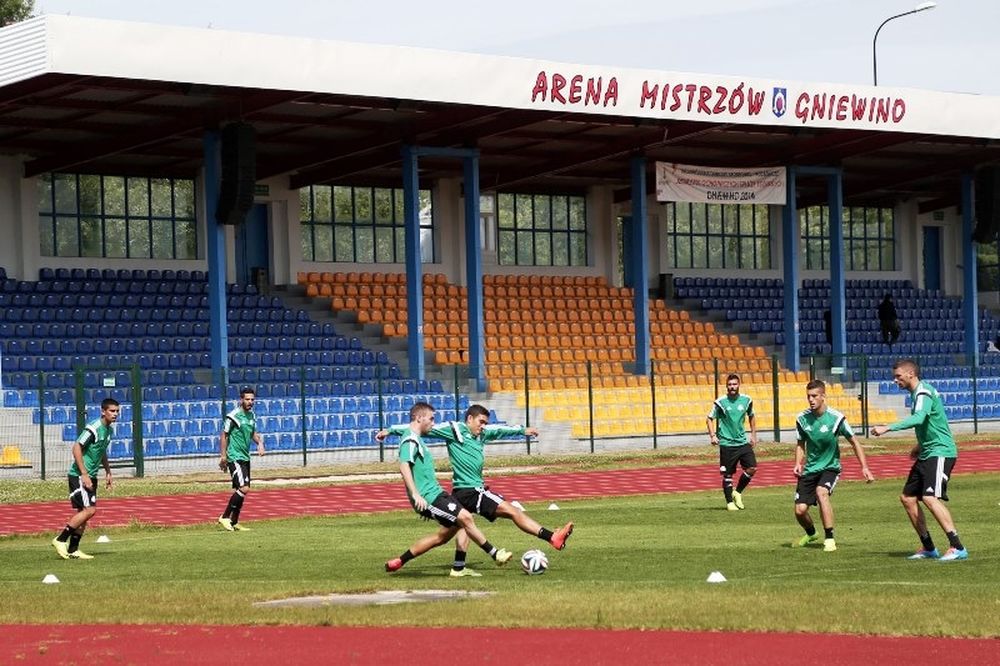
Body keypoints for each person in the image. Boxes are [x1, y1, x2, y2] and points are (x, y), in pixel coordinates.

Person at [378, 404, 573, 577]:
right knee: (513, 511)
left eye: (485, 423)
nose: (483, 426)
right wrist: (390, 430)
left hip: (459, 493)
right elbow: (418, 427)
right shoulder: (454, 430)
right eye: (480, 422)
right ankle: (551, 537)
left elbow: (500, 430)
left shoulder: (483, 434)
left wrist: (522, 430)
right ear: (469, 419)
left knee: (444, 535)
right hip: (472, 491)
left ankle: (437, 564)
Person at [383, 401, 513, 574]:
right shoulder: (410, 439)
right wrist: (416, 495)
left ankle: (403, 561)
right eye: (431, 418)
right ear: (419, 418)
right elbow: (404, 465)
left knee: (445, 535)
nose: (433, 423)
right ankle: (495, 553)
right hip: (428, 497)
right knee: (466, 518)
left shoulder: (416, 438)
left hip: (437, 493)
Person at [871, 359, 968, 561]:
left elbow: (919, 418)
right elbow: (929, 422)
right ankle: (929, 548)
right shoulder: (917, 394)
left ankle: (957, 546)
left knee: (930, 497)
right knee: (908, 498)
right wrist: (919, 445)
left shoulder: (923, 392)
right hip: (928, 452)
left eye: (898, 376)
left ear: (910, 374)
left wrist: (887, 427)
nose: (895, 380)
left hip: (940, 452)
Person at [792, 380, 875, 552]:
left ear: (823, 396)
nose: (811, 400)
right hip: (810, 469)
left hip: (830, 467)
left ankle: (829, 538)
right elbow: (801, 444)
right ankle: (811, 533)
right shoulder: (802, 419)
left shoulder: (837, 418)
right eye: (808, 396)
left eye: (814, 396)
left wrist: (864, 467)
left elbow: (854, 442)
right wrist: (798, 463)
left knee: (821, 492)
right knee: (800, 511)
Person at [52, 397, 120, 560]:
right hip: (79, 475)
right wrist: (83, 473)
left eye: (117, 411)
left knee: (85, 513)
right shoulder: (94, 427)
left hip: (91, 476)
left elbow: (101, 451)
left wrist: (108, 471)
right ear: (103, 411)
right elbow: (76, 447)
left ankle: (73, 549)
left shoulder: (109, 431)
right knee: (90, 510)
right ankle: (60, 539)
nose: (115, 414)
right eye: (112, 411)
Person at [707, 374, 758, 511]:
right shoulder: (720, 402)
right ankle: (729, 502)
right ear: (726, 386)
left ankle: (737, 492)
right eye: (730, 385)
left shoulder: (747, 400)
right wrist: (712, 435)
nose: (732, 387)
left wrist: (753, 435)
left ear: (739, 384)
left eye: (734, 384)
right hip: (727, 444)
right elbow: (709, 418)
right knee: (727, 474)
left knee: (752, 467)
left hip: (742, 442)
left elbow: (752, 416)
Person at [217, 387, 265, 531]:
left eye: (252, 399)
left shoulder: (252, 416)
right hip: (235, 456)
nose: (250, 402)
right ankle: (225, 517)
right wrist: (223, 456)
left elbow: (253, 434)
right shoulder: (233, 415)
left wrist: (260, 443)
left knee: (242, 489)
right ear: (241, 400)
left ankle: (234, 521)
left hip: (245, 456)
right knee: (244, 488)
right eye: (247, 399)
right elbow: (224, 435)